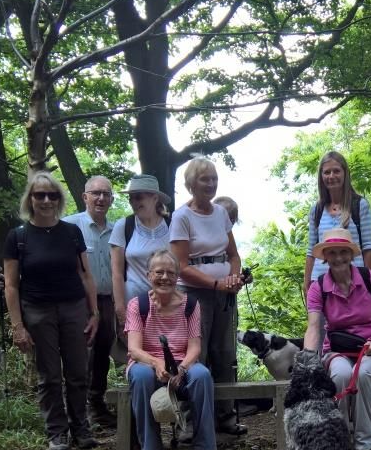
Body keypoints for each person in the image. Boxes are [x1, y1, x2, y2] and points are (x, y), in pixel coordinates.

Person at [3, 171, 100, 450]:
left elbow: (86, 276)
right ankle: (57, 432)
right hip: (37, 310)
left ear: (59, 199)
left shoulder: (71, 232)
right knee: (49, 375)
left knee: (78, 371)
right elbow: (10, 285)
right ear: (30, 199)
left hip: (73, 308)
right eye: (39, 195)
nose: (46, 200)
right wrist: (17, 325)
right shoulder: (17, 237)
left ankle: (81, 426)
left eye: (52, 195)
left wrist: (94, 313)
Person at [303, 229, 371, 450]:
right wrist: (308, 359)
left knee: (364, 373)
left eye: (343, 251)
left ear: (351, 253)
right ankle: (341, 440)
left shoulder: (370, 278)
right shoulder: (318, 287)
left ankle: (364, 443)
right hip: (337, 349)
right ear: (325, 257)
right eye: (332, 252)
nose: (338, 257)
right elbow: (314, 327)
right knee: (341, 375)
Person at [169, 157, 247, 435]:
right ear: (191, 184)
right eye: (205, 179)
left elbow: (233, 255)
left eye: (214, 179)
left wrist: (233, 277)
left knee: (224, 352)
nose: (211, 184)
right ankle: (191, 420)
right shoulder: (181, 217)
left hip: (224, 293)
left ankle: (226, 415)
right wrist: (216, 284)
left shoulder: (220, 213)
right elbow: (181, 266)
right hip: (193, 295)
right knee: (195, 355)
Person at [126, 250, 218, 450]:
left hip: (181, 360)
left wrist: (183, 369)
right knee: (141, 376)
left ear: (178, 276)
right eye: (159, 272)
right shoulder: (138, 305)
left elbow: (195, 346)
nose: (165, 277)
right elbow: (134, 349)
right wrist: (156, 363)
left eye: (170, 272)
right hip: (147, 362)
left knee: (202, 376)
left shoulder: (191, 305)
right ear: (149, 275)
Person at [64, 175, 119, 429]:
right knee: (79, 356)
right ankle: (76, 414)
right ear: (85, 197)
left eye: (106, 194)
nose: (101, 198)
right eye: (95, 193)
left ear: (112, 199)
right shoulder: (69, 226)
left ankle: (97, 408)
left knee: (102, 356)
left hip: (108, 301)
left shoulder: (118, 230)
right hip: (79, 302)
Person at [110, 175, 171, 359]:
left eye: (139, 197)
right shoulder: (124, 226)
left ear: (155, 198)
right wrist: (120, 310)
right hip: (134, 304)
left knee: (168, 353)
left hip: (168, 305)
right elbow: (116, 273)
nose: (133, 202)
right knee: (139, 357)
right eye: (131, 198)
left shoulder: (172, 224)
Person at [304, 151, 371, 284]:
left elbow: (367, 248)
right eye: (326, 172)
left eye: (336, 171)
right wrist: (307, 283)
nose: (331, 176)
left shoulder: (359, 205)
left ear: (345, 173)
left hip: (354, 282)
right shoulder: (317, 210)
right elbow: (311, 250)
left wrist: (370, 284)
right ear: (321, 176)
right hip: (321, 284)